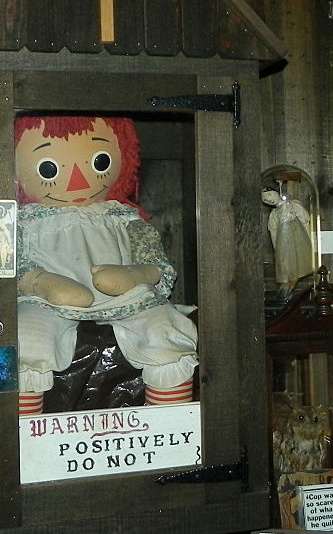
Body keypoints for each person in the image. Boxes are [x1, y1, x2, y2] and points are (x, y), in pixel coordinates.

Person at [14, 116, 198, 415]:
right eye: (49, 168)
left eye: (99, 162)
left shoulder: (124, 217)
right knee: (27, 337)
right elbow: (10, 263)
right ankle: (26, 442)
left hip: (128, 298)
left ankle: (169, 430)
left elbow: (155, 262)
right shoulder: (23, 221)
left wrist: (135, 274)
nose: (78, 180)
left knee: (165, 330)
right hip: (45, 301)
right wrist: (40, 282)